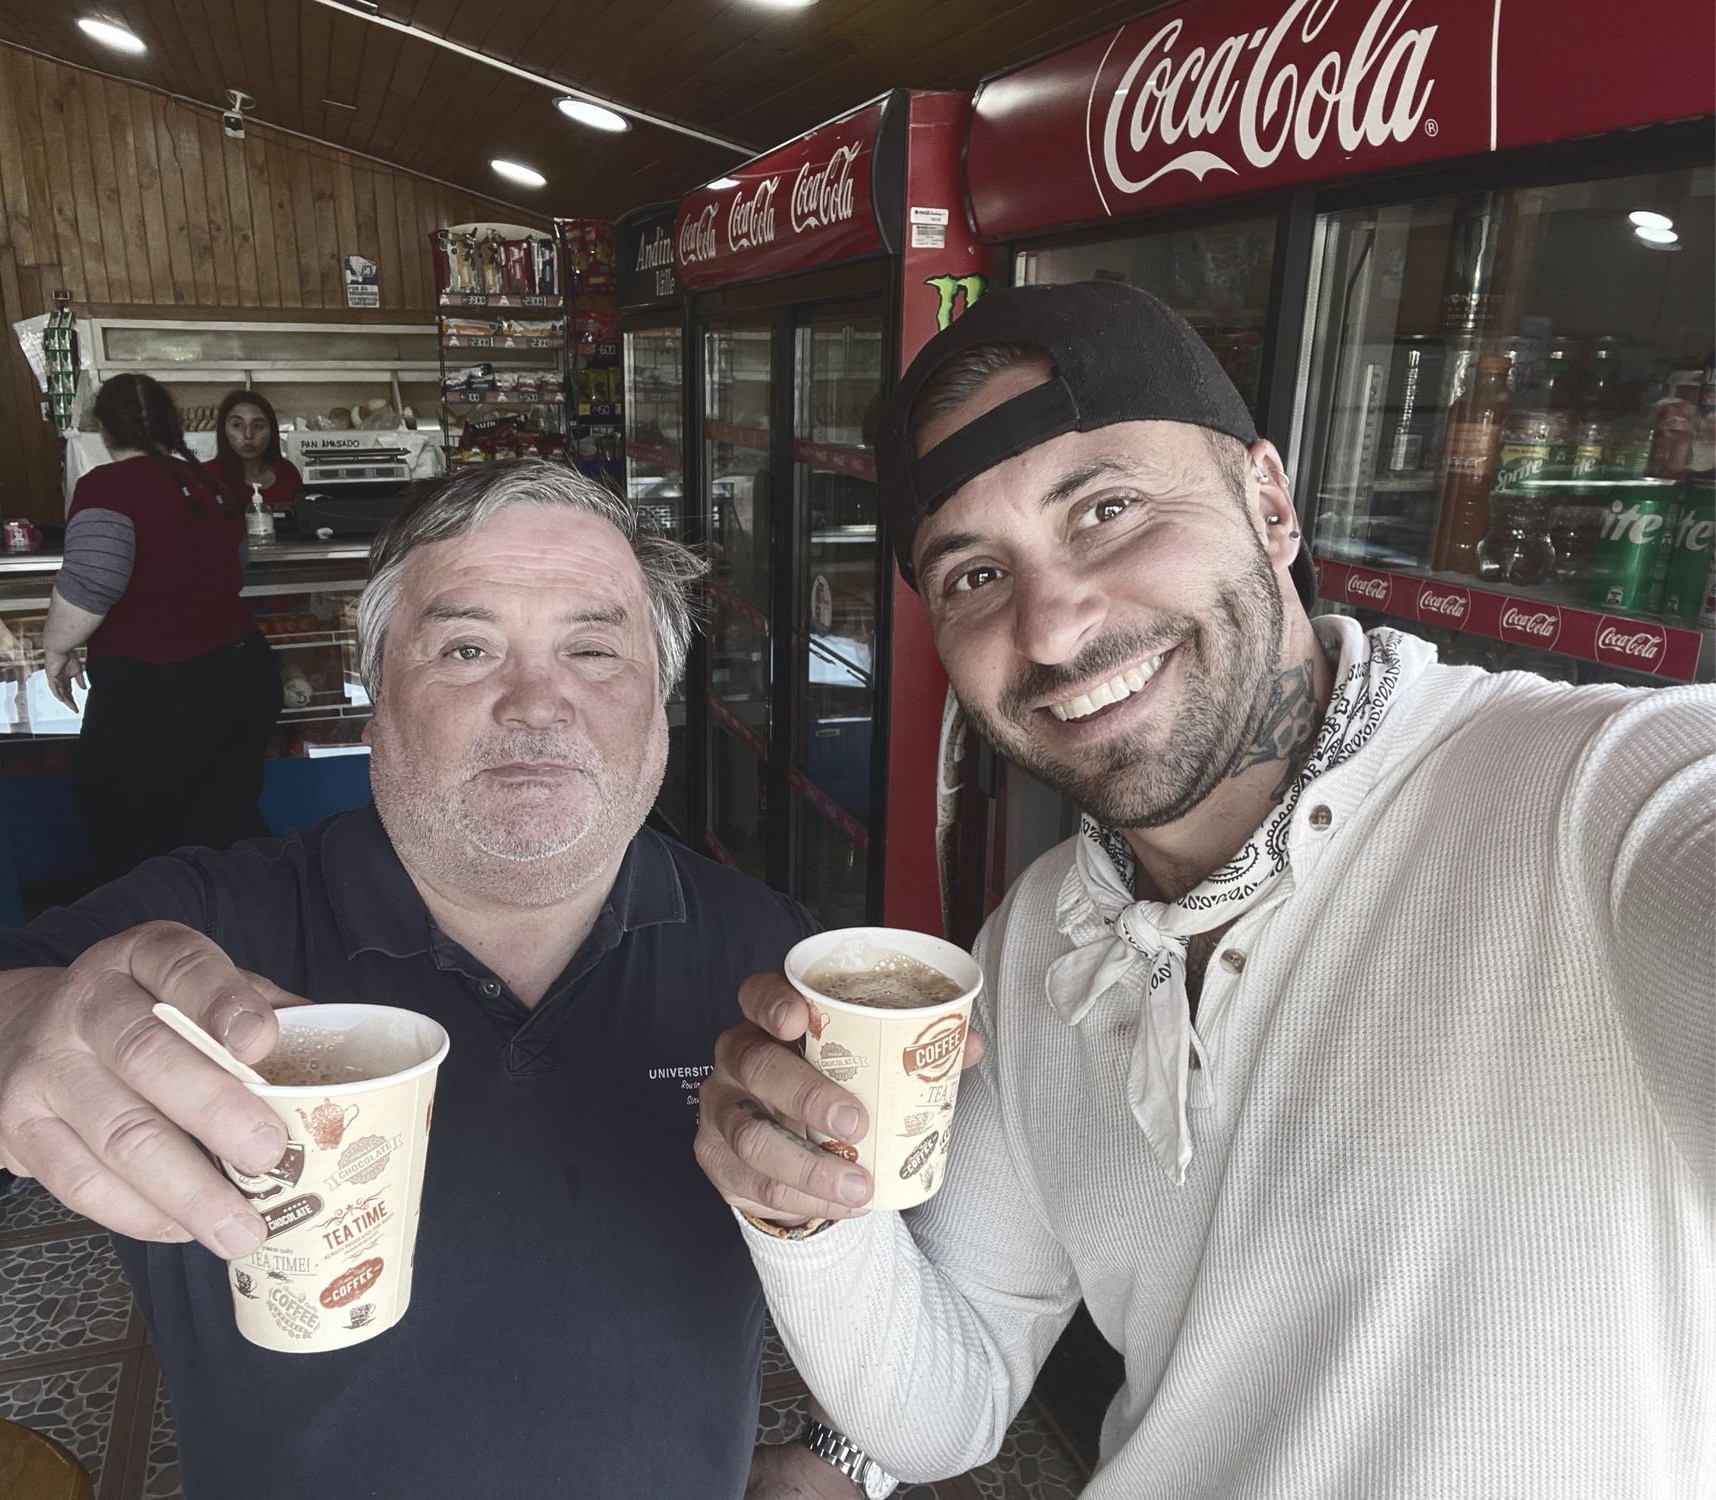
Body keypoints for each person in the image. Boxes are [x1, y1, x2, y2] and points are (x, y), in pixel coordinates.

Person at [699, 282, 1714, 1497]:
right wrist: (802, 1210)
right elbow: (944, 1410)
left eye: (1106, 509)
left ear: (1267, 504)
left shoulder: (1600, 798)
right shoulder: (1034, 943)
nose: (1052, 627)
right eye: (972, 574)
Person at [0, 459, 815, 1499]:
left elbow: (906, 1245)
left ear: (659, 712)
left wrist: (842, 1455)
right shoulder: (207, 934)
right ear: (376, 706)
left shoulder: (767, 956)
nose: (537, 703)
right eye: (466, 649)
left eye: (593, 650)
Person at [45, 373, 283, 882]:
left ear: (105, 431)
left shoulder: (107, 486)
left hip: (156, 694)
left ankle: (161, 930)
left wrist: (57, 648)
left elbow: (92, 584)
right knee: (224, 830)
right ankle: (245, 921)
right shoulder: (212, 483)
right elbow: (236, 567)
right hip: (242, 675)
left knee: (134, 843)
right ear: (170, 425)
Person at [205, 388, 302, 512]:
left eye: (257, 426)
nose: (248, 435)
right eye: (237, 425)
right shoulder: (207, 476)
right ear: (223, 430)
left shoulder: (287, 472)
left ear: (271, 430)